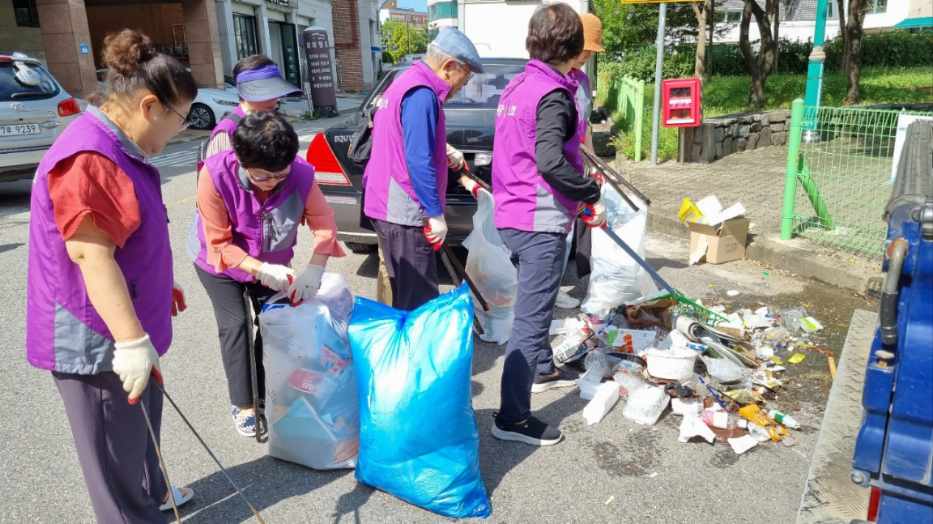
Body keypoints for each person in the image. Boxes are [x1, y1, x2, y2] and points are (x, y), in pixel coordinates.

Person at [25, 29, 196, 521]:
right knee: (114, 467)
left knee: (138, 437)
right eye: (179, 119)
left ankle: (152, 496)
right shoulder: (91, 156)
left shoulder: (120, 145)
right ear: (149, 107)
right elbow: (90, 256)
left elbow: (126, 238)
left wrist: (161, 279)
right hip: (97, 338)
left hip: (128, 321)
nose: (179, 131)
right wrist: (130, 340)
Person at [487, 4, 606, 447]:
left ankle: (539, 368)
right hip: (537, 219)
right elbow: (551, 161)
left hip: (512, 213)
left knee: (532, 308)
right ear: (573, 47)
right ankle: (512, 417)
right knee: (531, 321)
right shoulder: (553, 95)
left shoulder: (519, 84)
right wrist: (587, 192)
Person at [192, 111, 345, 437]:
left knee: (276, 325)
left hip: (274, 261)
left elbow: (323, 223)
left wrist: (315, 269)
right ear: (241, 160)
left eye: (280, 175)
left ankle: (269, 394)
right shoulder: (215, 174)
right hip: (219, 264)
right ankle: (244, 403)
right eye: (263, 177)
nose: (273, 183)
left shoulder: (301, 175)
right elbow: (218, 243)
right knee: (236, 326)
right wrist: (259, 268)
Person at [362, 27, 483, 311]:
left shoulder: (406, 81)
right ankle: (414, 354)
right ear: (449, 67)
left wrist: (443, 148)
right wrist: (435, 214)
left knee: (402, 292)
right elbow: (417, 159)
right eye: (464, 78)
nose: (462, 86)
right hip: (403, 210)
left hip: (386, 202)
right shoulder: (421, 94)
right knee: (419, 301)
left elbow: (404, 136)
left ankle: (402, 349)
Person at [555, 11, 607, 311]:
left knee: (572, 230)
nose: (588, 54)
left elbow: (584, 124)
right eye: (586, 48)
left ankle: (562, 283)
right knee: (556, 231)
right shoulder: (554, 79)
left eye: (592, 50)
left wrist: (594, 161)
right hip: (556, 169)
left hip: (578, 163)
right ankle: (548, 287)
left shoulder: (583, 82)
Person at [202, 54, 301, 157]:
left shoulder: (274, 121)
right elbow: (216, 171)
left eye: (276, 91)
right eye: (266, 92)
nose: (275, 99)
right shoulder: (228, 130)